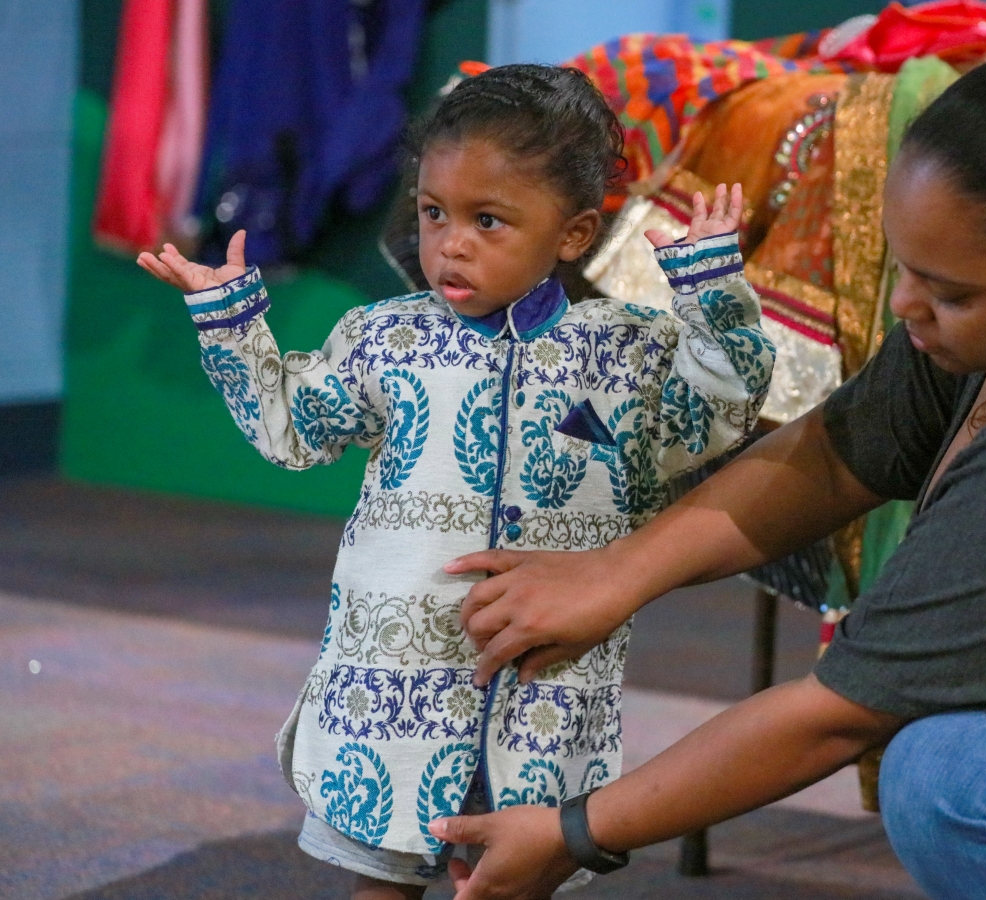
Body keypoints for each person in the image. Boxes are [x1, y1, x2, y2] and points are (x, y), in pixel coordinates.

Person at [428, 52, 986, 899]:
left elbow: (837, 715)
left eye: (945, 292)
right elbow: (837, 453)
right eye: (902, 267)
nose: (906, 307)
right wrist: (616, 574)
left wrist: (573, 833)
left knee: (962, 787)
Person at [136, 64, 774, 899]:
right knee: (379, 878)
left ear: (574, 233)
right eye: (434, 213)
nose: (451, 243)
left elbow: (720, 405)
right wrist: (233, 325)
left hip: (544, 688)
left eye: (488, 220)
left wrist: (712, 287)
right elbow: (293, 428)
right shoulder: (382, 339)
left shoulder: (627, 351)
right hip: (394, 690)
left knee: (513, 879)